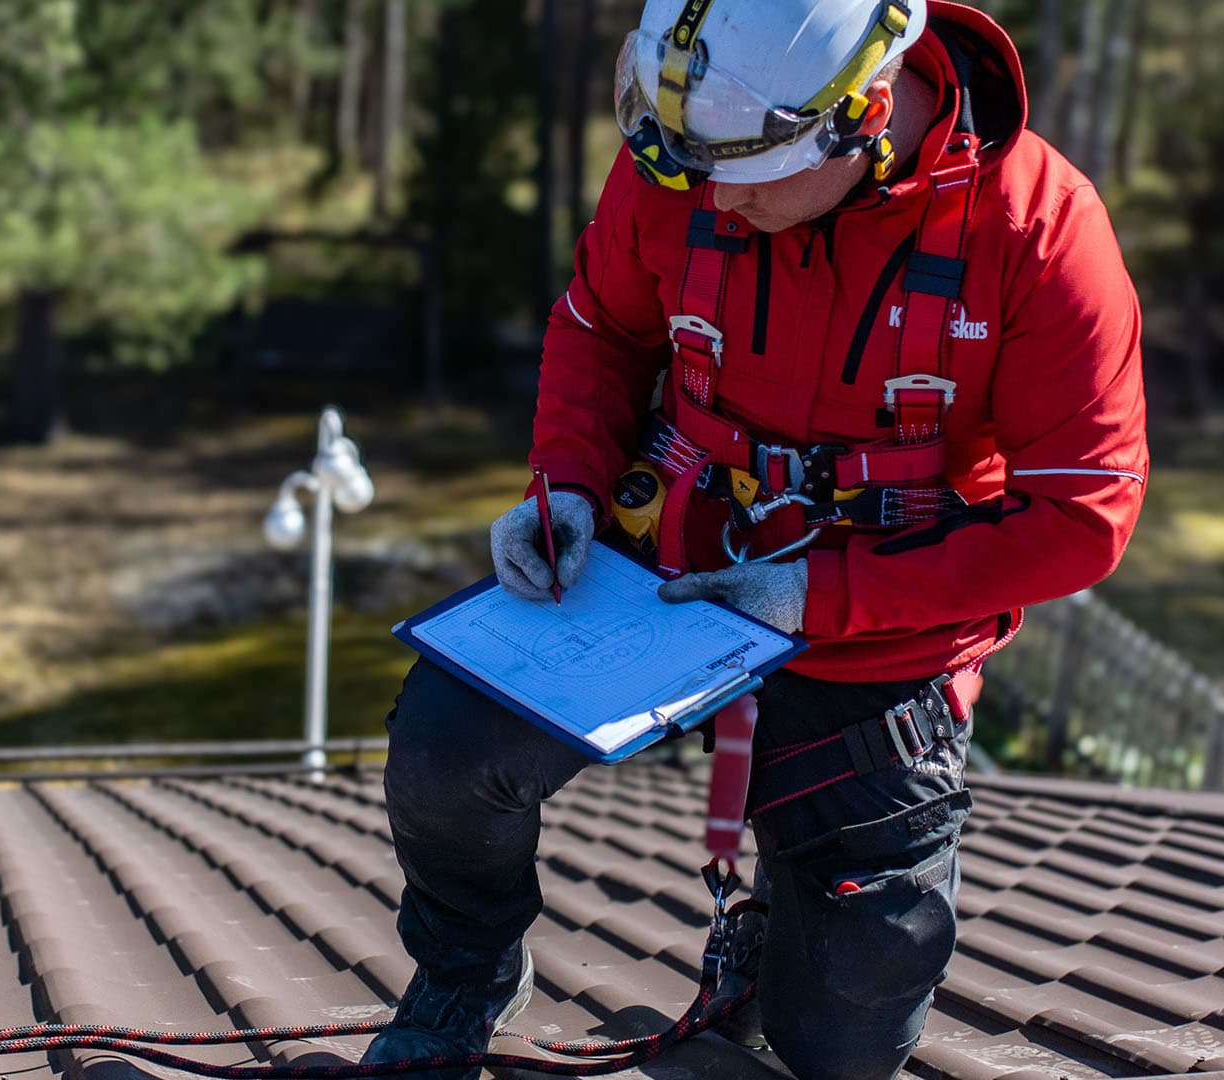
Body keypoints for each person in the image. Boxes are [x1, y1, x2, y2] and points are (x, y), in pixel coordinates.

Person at [367, 0, 1148, 1076]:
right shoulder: (695, 152)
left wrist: (821, 599)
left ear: (867, 114)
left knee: (857, 993)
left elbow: (1083, 513)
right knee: (445, 751)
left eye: (748, 173)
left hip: (880, 621)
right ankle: (464, 973)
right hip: (664, 568)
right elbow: (600, 329)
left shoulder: (1037, 231)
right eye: (692, 166)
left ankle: (785, 934)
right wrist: (569, 491)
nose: (713, 197)